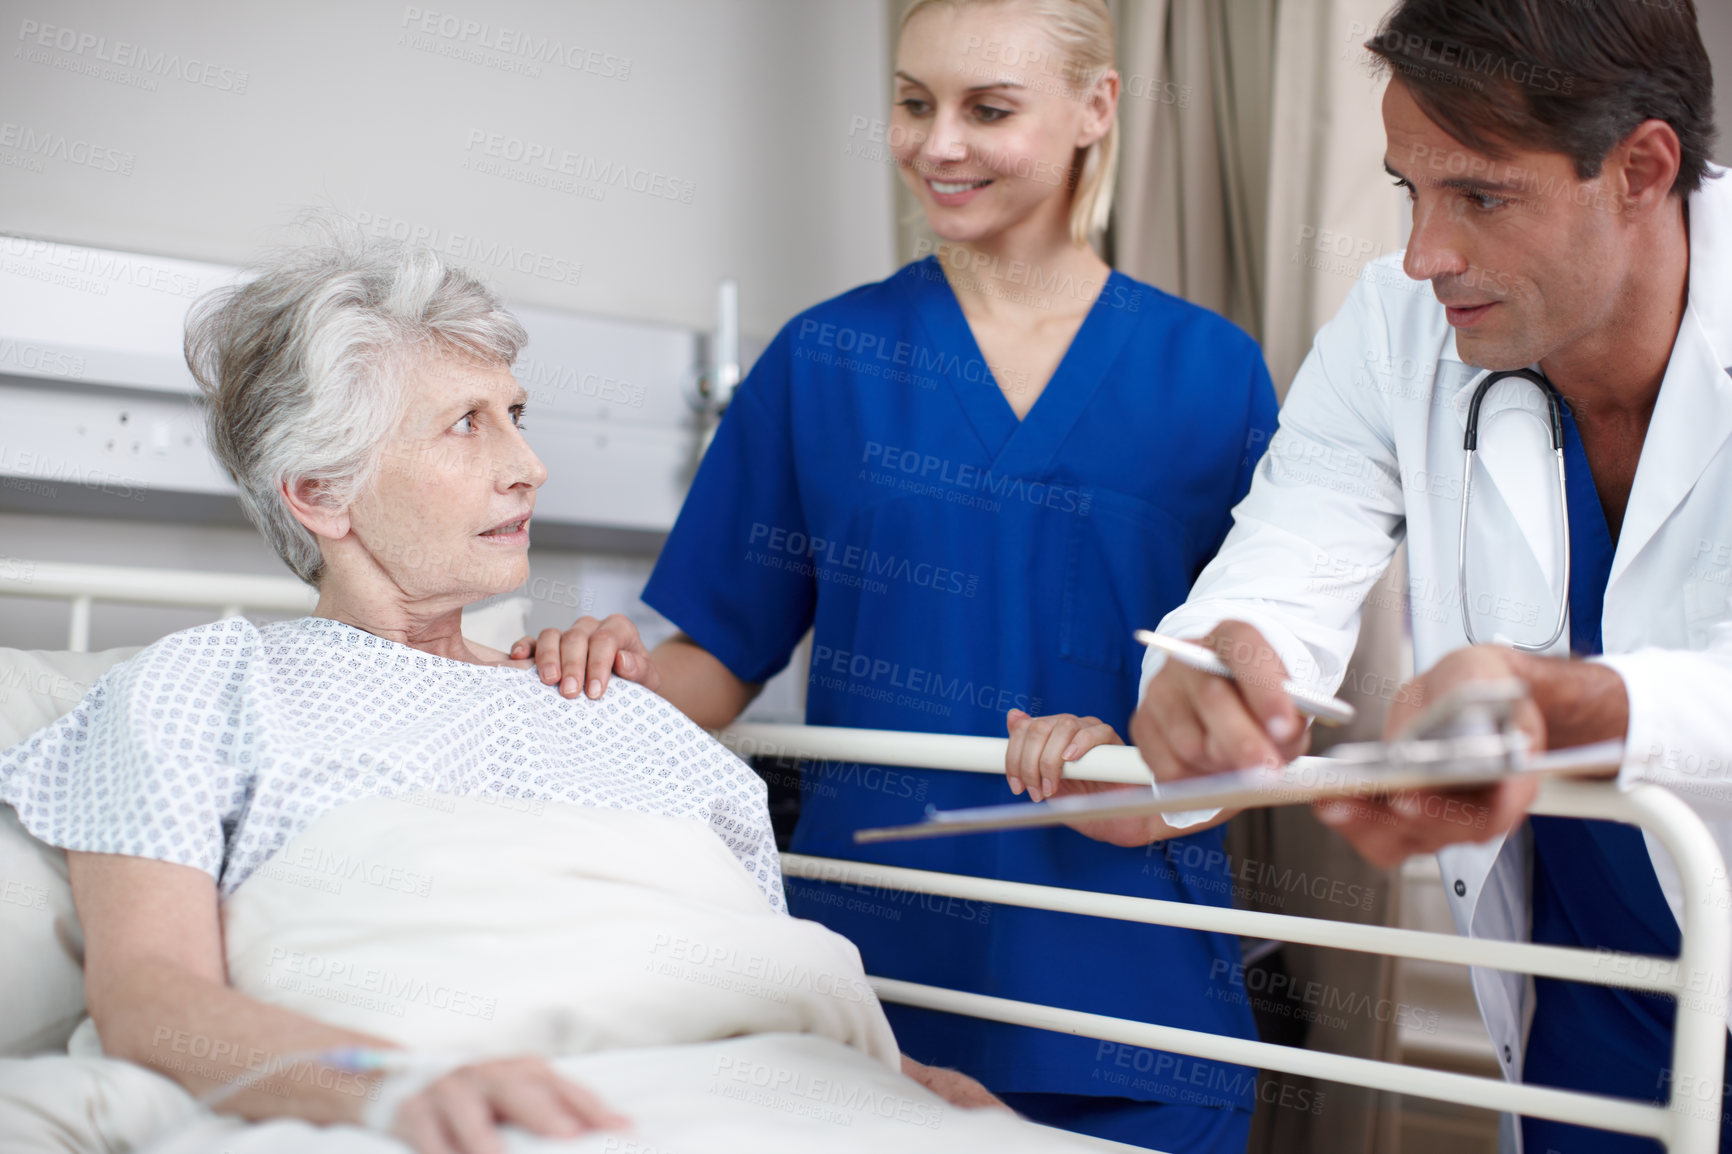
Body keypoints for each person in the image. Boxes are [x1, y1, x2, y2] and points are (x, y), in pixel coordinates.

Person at [0, 229, 1000, 1154]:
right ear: (319, 490)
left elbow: (754, 975)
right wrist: (385, 1083)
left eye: (514, 416)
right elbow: (152, 1001)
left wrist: (912, 1080)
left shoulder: (615, 705)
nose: (529, 465)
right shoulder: (201, 687)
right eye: (464, 425)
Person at [541, 1, 1276, 1148]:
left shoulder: (1214, 377)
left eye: (988, 109)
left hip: (1126, 991)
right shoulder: (822, 360)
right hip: (872, 987)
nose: (938, 144)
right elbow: (720, 660)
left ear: (1096, 108)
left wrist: (1137, 754)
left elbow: (1264, 701)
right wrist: (570, 680)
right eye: (912, 101)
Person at [1111, 1, 1730, 1150]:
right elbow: (1288, 549)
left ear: (1641, 168)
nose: (1421, 255)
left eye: (1480, 197)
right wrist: (1224, 664)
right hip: (1591, 1013)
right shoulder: (1402, 326)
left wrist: (1582, 704)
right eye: (1409, 190)